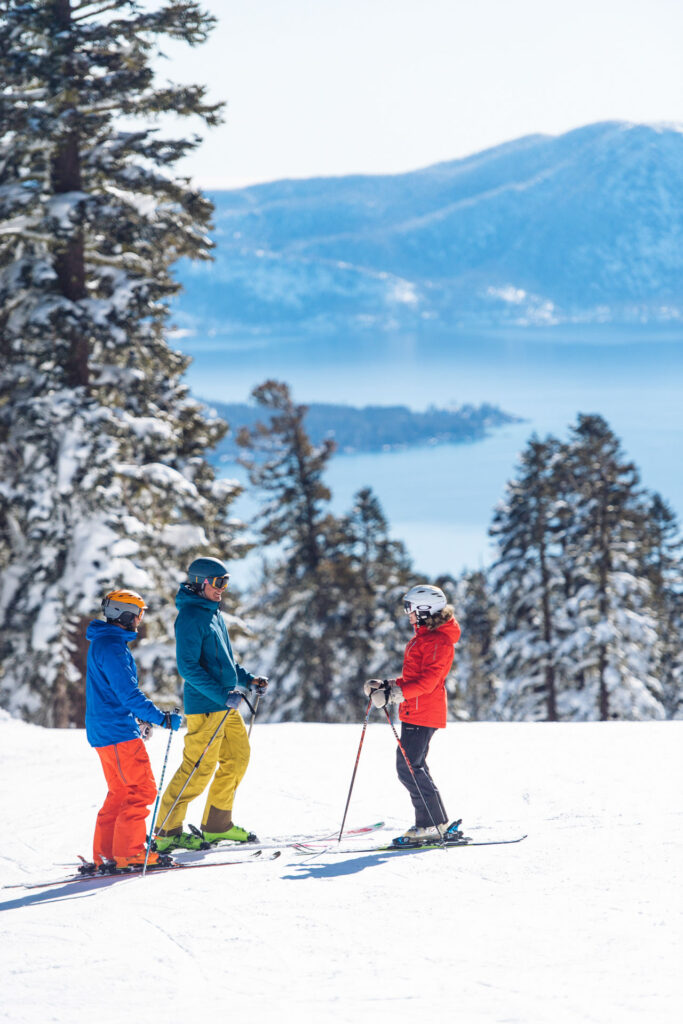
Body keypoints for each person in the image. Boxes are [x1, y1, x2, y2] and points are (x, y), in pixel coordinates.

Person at [154, 556, 268, 852]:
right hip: (206, 706)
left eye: (226, 583)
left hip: (225, 704)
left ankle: (217, 825)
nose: (223, 589)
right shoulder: (191, 616)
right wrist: (222, 696)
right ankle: (167, 829)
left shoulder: (213, 614)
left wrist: (249, 680)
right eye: (219, 583)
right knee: (198, 768)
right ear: (201, 582)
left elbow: (226, 664)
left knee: (238, 757)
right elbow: (188, 668)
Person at [85, 589, 182, 869]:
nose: (140, 620)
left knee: (121, 792)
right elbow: (128, 694)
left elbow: (114, 692)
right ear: (124, 614)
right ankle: (130, 853)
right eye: (138, 614)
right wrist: (159, 717)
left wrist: (139, 719)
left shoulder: (105, 643)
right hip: (116, 732)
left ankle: (108, 853)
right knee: (141, 790)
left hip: (108, 728)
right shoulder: (112, 647)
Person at [364, 584, 461, 846]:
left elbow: (428, 682)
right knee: (414, 766)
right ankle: (436, 822)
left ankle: (429, 825)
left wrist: (395, 694)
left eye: (410, 608)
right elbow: (413, 678)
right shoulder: (427, 638)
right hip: (415, 710)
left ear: (424, 610)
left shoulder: (437, 641)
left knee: (408, 768)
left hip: (423, 712)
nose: (407, 614)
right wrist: (386, 686)